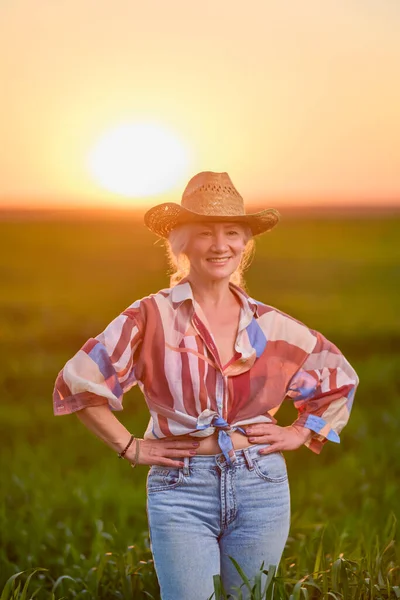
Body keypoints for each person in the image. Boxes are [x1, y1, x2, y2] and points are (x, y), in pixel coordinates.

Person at [53, 171, 359, 600]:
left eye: (232, 233)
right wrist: (131, 446)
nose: (220, 245)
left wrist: (297, 432)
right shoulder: (148, 317)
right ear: (181, 243)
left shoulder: (272, 325)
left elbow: (338, 377)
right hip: (180, 488)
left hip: (261, 483)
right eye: (204, 233)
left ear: (245, 243)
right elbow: (79, 381)